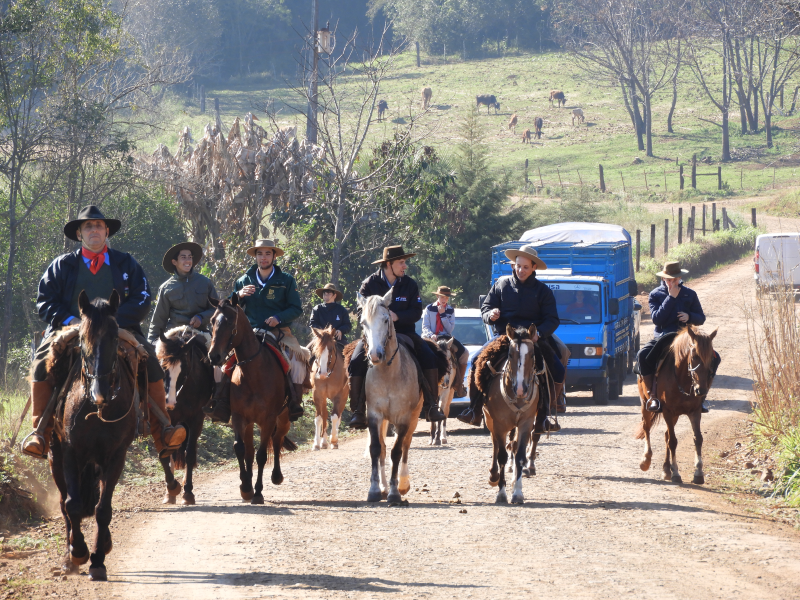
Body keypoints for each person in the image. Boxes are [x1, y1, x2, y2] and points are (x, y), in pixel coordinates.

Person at [21, 206, 186, 459]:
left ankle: (162, 431)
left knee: (152, 361)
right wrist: (74, 321)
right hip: (69, 329)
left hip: (117, 329)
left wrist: (108, 321)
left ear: (107, 231)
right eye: (88, 226)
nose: (94, 230)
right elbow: (44, 301)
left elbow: (143, 298)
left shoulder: (126, 263)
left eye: (98, 226)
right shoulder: (61, 265)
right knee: (41, 363)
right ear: (79, 234)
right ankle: (39, 434)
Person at [457, 244, 564, 429]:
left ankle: (545, 414)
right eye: (518, 265)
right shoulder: (501, 284)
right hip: (505, 337)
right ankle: (474, 409)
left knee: (558, 369)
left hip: (533, 339)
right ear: (513, 265)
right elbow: (486, 308)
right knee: (476, 362)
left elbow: (552, 319)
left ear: (534, 268)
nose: (520, 270)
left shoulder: (543, 291)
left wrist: (539, 333)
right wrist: (490, 315)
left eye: (525, 267)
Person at [205, 239, 307, 423]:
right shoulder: (243, 281)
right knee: (222, 365)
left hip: (278, 332)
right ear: (255, 257)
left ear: (274, 256)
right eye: (260, 254)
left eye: (268, 253)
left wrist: (278, 318)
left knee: (297, 362)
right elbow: (227, 307)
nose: (264, 257)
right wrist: (239, 295)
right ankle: (220, 402)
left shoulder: (286, 280)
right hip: (248, 333)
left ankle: (294, 402)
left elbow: (296, 308)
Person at [347, 245, 447, 429]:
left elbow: (417, 312)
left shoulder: (410, 284)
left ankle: (432, 405)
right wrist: (377, 316)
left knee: (430, 356)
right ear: (388, 264)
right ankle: (357, 411)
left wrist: (397, 316)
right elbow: (360, 309)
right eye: (401, 262)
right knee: (354, 360)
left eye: (404, 262)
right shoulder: (369, 284)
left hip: (405, 332)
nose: (405, 266)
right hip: (375, 336)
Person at [637, 261, 718, 413]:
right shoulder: (656, 294)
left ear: (680, 278)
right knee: (642, 355)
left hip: (687, 337)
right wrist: (671, 298)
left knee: (715, 357)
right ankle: (652, 396)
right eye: (669, 279)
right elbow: (656, 319)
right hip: (664, 336)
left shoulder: (690, 294)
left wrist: (689, 316)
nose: (672, 282)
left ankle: (701, 397)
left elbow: (701, 318)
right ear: (663, 279)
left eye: (675, 279)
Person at [147, 242, 219, 344]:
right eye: (183, 257)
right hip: (175, 335)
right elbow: (159, 319)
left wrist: (201, 317)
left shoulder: (205, 282)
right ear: (174, 262)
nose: (188, 260)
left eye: (190, 257)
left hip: (200, 334)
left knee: (216, 358)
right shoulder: (166, 288)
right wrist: (152, 342)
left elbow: (216, 309)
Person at [421, 286, 468, 397]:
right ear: (437, 296)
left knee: (465, 353)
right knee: (417, 351)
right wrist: (431, 335)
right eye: (442, 297)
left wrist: (443, 315)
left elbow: (450, 329)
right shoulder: (429, 308)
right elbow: (425, 327)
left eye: (446, 297)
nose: (444, 299)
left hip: (445, 337)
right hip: (430, 337)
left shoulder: (450, 310)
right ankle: (418, 382)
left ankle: (459, 384)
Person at [309, 283, 351, 347]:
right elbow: (313, 324)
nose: (326, 296)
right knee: (307, 352)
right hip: (320, 338)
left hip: (338, 339)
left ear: (334, 295)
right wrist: (322, 332)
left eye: (328, 294)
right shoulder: (317, 309)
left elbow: (347, 325)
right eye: (324, 294)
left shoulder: (342, 310)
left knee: (351, 354)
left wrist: (340, 330)